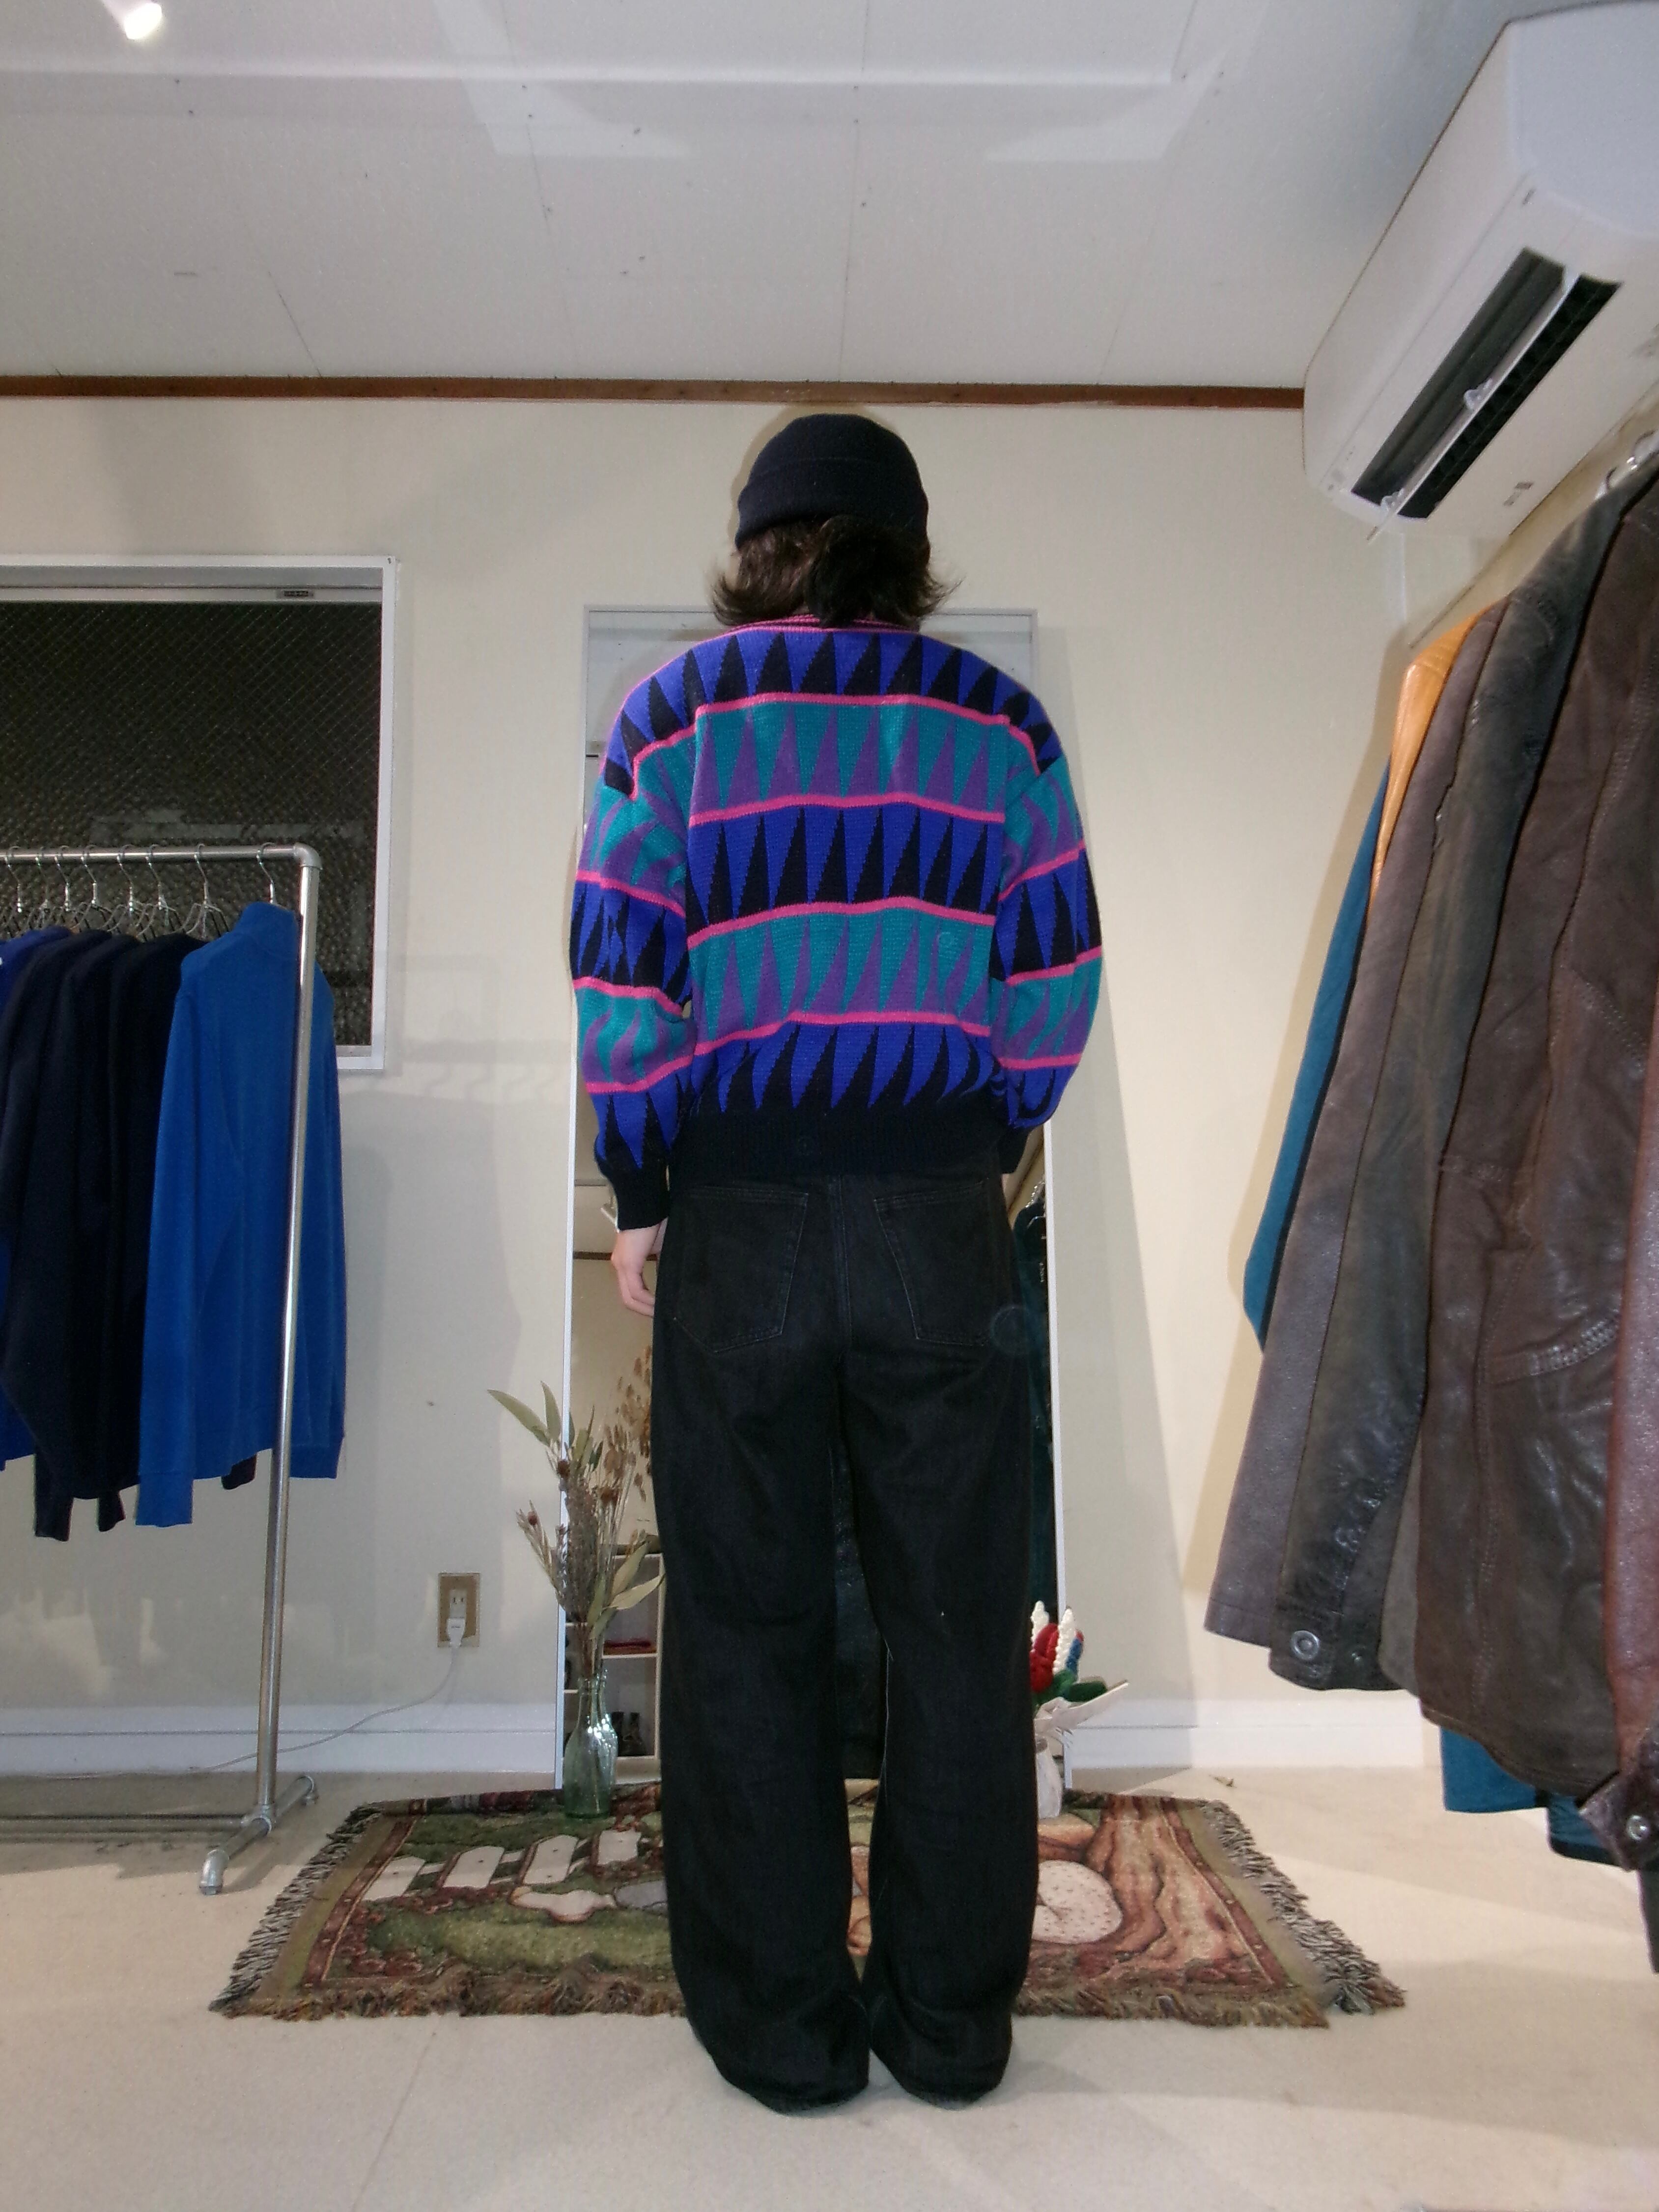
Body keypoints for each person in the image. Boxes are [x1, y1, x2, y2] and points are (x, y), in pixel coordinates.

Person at [569, 412, 1100, 2111]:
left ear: (758, 548)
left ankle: (784, 2037)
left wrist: (644, 1186)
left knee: (745, 1623)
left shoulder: (668, 719)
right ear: (906, 551)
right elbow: (1056, 973)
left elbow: (620, 973)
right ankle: (946, 2029)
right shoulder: (1000, 725)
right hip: (937, 1219)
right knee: (955, 1627)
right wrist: (975, 1131)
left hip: (742, 1227)